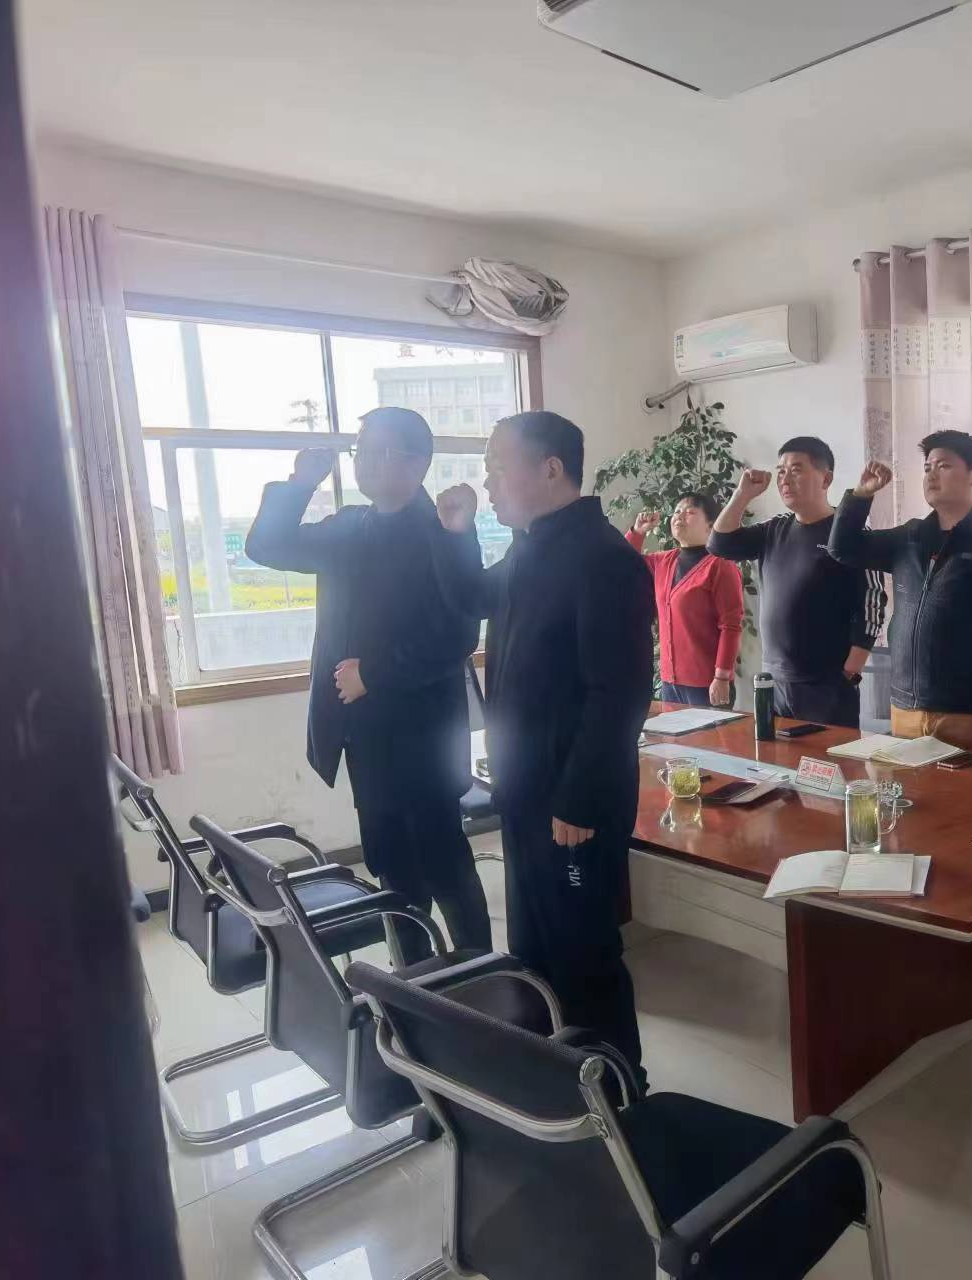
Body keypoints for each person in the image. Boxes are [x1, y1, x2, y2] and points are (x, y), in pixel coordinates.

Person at [429, 410, 654, 1085]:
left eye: (499, 467)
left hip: (572, 800)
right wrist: (456, 534)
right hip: (526, 789)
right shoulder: (529, 547)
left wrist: (578, 799)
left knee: (583, 949)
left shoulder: (604, 559)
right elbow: (472, 596)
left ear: (551, 469)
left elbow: (620, 694)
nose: (488, 482)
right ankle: (554, 1077)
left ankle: (619, 1087)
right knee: (533, 942)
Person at [245, 407, 487, 964]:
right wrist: (300, 484)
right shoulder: (349, 526)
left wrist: (372, 674)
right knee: (390, 864)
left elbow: (456, 636)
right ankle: (415, 980)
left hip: (424, 732)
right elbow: (266, 547)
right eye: (361, 450)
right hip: (364, 732)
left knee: (444, 863)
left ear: (417, 463)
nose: (365, 462)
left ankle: (481, 974)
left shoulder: (442, 531)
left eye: (380, 451)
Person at [827, 430, 972, 753]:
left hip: (969, 710)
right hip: (904, 708)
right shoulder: (910, 537)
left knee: (967, 787)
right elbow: (842, 548)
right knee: (905, 786)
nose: (931, 475)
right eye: (927, 468)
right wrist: (861, 496)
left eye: (943, 466)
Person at [708, 436, 886, 728]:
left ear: (825, 478)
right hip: (775, 681)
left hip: (826, 685)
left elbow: (872, 605)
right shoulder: (774, 528)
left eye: (796, 469)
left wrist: (849, 673)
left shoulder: (848, 532)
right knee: (774, 757)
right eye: (780, 471)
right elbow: (719, 544)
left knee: (828, 758)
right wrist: (742, 495)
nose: (785, 479)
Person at [625, 492, 744, 709]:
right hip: (670, 684)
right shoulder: (662, 561)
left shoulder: (720, 565)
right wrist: (638, 532)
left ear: (710, 526)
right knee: (672, 732)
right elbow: (624, 563)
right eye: (677, 511)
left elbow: (731, 626)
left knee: (709, 733)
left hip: (708, 684)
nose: (679, 516)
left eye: (689, 512)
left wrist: (722, 677)